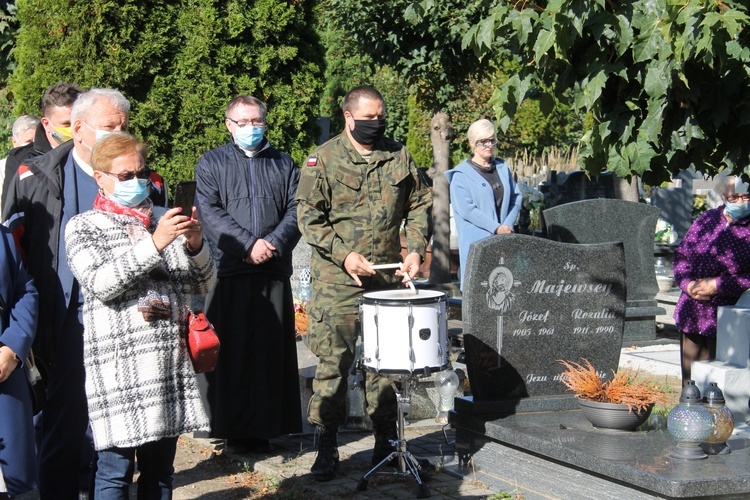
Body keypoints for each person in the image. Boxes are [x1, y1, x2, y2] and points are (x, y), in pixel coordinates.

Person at [2, 88, 163, 499]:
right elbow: (15, 253)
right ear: (77, 128)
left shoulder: (144, 178)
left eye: (123, 126)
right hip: (67, 322)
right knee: (64, 425)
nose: (118, 134)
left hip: (129, 324)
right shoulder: (35, 178)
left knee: (125, 438)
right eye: (109, 127)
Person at [64, 132, 215, 498]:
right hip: (120, 370)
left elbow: (201, 284)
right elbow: (103, 282)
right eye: (125, 176)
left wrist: (195, 246)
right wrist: (156, 242)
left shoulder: (165, 218)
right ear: (100, 177)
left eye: (140, 173)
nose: (136, 181)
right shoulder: (83, 227)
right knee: (115, 472)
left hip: (169, 367)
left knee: (161, 473)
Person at [296, 85, 432, 481]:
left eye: (380, 116)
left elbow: (420, 202)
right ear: (349, 117)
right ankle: (326, 446)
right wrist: (344, 254)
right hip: (339, 281)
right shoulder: (322, 160)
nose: (376, 124)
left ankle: (386, 442)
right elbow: (309, 219)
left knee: (384, 365)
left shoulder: (398, 155)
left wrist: (415, 249)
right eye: (368, 117)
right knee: (334, 364)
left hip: (386, 279)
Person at [195, 95, 302, 453]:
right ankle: (233, 429)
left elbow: (297, 209)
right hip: (230, 270)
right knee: (234, 354)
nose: (250, 128)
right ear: (229, 125)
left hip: (272, 268)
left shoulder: (284, 163)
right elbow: (210, 212)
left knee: (271, 352)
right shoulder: (211, 163)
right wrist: (246, 246)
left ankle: (270, 427)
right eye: (242, 122)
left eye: (256, 121)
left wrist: (271, 243)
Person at [673, 175, 750, 383]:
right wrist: (688, 284)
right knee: (691, 385)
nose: (741, 202)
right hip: (693, 312)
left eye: (746, 197)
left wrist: (718, 285)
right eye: (734, 198)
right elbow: (681, 255)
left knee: (719, 387)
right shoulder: (707, 219)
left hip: (730, 316)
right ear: (724, 196)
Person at [445, 119, 522, 290]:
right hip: (479, 246)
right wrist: (496, 228)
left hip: (504, 245)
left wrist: (507, 225)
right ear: (472, 143)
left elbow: (516, 197)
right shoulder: (461, 176)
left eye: (492, 140)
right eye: (483, 141)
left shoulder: (502, 168)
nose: (488, 145)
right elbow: (467, 211)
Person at [0, 225, 39, 498]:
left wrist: (13, 347)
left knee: (19, 484)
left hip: (5, 375)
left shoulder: (2, 237)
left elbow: (24, 291)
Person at [2, 82, 82, 207]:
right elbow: (13, 214)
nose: (73, 130)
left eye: (78, 123)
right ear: (46, 124)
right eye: (66, 124)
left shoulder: (94, 154)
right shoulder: (22, 160)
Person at [0, 115, 40, 206]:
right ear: (14, 142)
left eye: (37, 141)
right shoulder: (2, 169)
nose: (34, 147)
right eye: (29, 142)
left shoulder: (49, 163)